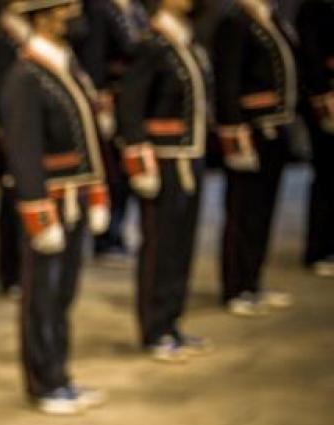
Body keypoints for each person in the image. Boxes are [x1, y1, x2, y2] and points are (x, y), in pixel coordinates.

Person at [3, 0, 111, 415]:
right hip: (50, 201)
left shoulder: (65, 65)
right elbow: (25, 150)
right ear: (43, 15)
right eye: (64, 6)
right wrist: (37, 212)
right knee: (42, 295)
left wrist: (96, 191)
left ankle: (60, 373)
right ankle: (43, 381)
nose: (74, 11)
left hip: (74, 196)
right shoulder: (26, 75)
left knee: (63, 292)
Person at [117, 0, 213, 362]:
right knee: (160, 246)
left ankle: (173, 320)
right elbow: (131, 106)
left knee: (183, 244)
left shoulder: (188, 42)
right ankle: (154, 327)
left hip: (191, 154)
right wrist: (140, 161)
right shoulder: (151, 45)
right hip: (163, 160)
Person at [213, 0, 298, 316]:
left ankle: (253, 279)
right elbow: (228, 82)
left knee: (263, 209)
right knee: (242, 209)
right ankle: (235, 285)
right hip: (249, 129)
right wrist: (233, 131)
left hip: (274, 129)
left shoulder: (270, 17)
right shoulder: (235, 22)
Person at [75, 0, 150, 265]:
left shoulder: (136, 9)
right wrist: (99, 97)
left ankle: (118, 231)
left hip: (135, 99)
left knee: (127, 173)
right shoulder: (99, 9)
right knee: (112, 172)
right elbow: (95, 55)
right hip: (112, 100)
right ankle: (106, 235)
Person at [0, 1, 32, 295]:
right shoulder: (0, 42)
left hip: (22, 131)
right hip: (8, 135)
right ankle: (9, 272)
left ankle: (20, 269)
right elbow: (2, 94)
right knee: (10, 204)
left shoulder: (21, 36)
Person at [296, 0, 334, 277]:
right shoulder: (314, 7)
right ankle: (318, 249)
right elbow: (310, 56)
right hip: (326, 102)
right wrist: (323, 97)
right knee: (326, 177)